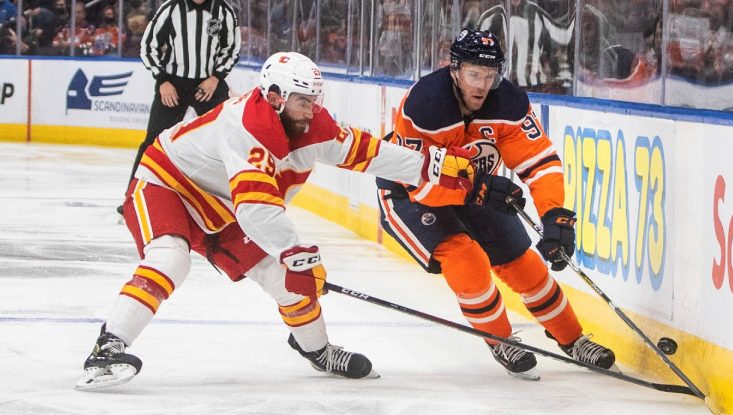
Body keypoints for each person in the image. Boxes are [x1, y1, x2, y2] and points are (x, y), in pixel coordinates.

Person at [75, 52, 477, 390]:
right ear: (274, 97)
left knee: (286, 281)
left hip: (226, 208)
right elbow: (256, 208)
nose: (311, 109)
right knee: (170, 258)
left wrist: (430, 168)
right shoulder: (247, 127)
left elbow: (369, 152)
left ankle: (317, 349)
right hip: (168, 184)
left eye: (314, 99)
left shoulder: (314, 125)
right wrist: (296, 253)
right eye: (303, 101)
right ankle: (107, 349)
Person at [376, 28, 616, 380]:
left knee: (524, 265)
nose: (483, 85)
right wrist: (477, 189)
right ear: (454, 70)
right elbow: (420, 182)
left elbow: (540, 161)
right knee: (466, 259)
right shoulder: (424, 105)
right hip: (407, 192)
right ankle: (500, 339)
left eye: (490, 76)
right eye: (474, 74)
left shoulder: (509, 103)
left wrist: (554, 214)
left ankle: (574, 339)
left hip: (475, 187)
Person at [117, 0, 241, 213]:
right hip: (173, 84)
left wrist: (216, 77)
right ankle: (133, 198)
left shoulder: (223, 10)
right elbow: (148, 46)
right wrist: (162, 80)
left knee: (226, 141)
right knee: (153, 142)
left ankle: (234, 200)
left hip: (209, 84)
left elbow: (231, 48)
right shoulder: (171, 8)